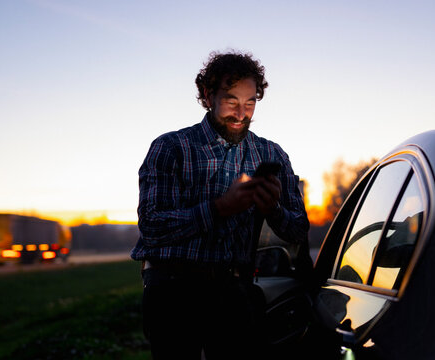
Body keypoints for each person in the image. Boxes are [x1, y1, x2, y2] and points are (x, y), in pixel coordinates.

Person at [130, 50, 310, 360]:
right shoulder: (170, 147)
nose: (241, 114)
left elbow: (298, 228)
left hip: (235, 290)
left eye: (250, 102)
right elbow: (152, 226)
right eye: (231, 101)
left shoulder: (272, 154)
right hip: (173, 291)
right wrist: (219, 209)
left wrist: (273, 210)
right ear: (206, 94)